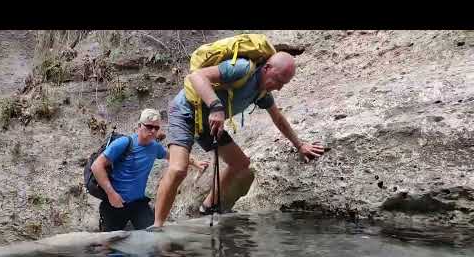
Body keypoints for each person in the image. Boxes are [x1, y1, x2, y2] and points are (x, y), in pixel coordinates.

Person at [154, 50, 325, 228]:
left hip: (209, 123)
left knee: (240, 163)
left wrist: (300, 145)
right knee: (178, 169)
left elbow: (278, 119)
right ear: (267, 68)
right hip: (185, 112)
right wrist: (215, 106)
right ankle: (157, 227)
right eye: (279, 80)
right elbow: (196, 76)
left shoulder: (262, 93)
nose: (280, 87)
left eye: (284, 84)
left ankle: (208, 207)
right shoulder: (242, 68)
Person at [91, 108, 209, 231]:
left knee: (154, 237)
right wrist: (111, 194)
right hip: (114, 203)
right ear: (139, 126)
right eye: (149, 127)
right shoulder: (124, 143)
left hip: (138, 205)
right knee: (110, 245)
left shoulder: (155, 148)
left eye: (156, 128)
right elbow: (96, 166)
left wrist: (196, 163)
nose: (153, 131)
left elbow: (175, 156)